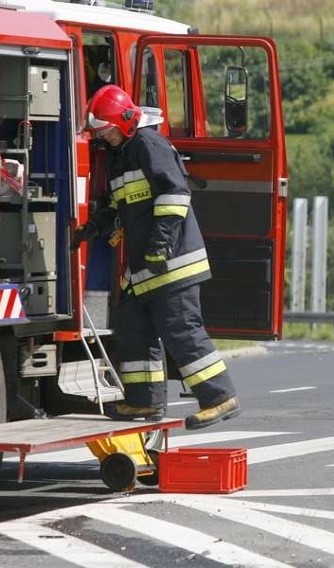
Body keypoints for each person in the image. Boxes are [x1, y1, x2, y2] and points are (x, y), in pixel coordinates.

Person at [73, 84, 240, 430]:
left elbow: (175, 196)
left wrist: (160, 244)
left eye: (106, 130)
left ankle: (219, 397)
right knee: (133, 326)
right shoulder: (121, 155)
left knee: (181, 330)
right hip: (145, 268)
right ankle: (145, 403)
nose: (104, 137)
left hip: (173, 263)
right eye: (100, 132)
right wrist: (94, 226)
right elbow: (125, 206)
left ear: (125, 121)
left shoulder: (150, 145)